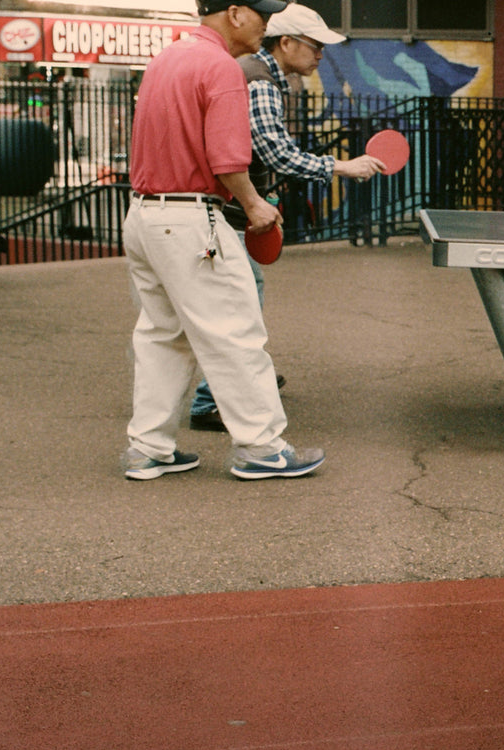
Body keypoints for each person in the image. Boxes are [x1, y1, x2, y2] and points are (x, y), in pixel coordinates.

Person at [121, 0, 325, 482]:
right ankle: (262, 449)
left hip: (144, 214)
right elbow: (228, 159)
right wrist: (255, 204)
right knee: (235, 331)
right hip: (192, 219)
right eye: (261, 14)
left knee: (161, 336)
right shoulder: (221, 67)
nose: (267, 25)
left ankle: (148, 448)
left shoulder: (168, 58)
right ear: (235, 13)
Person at [188, 2, 386, 432]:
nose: (320, 56)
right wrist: (342, 166)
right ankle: (209, 400)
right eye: (315, 46)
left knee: (236, 301)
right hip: (227, 212)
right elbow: (274, 151)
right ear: (287, 42)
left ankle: (242, 379)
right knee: (240, 304)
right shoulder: (259, 80)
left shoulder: (266, 77)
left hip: (227, 210)